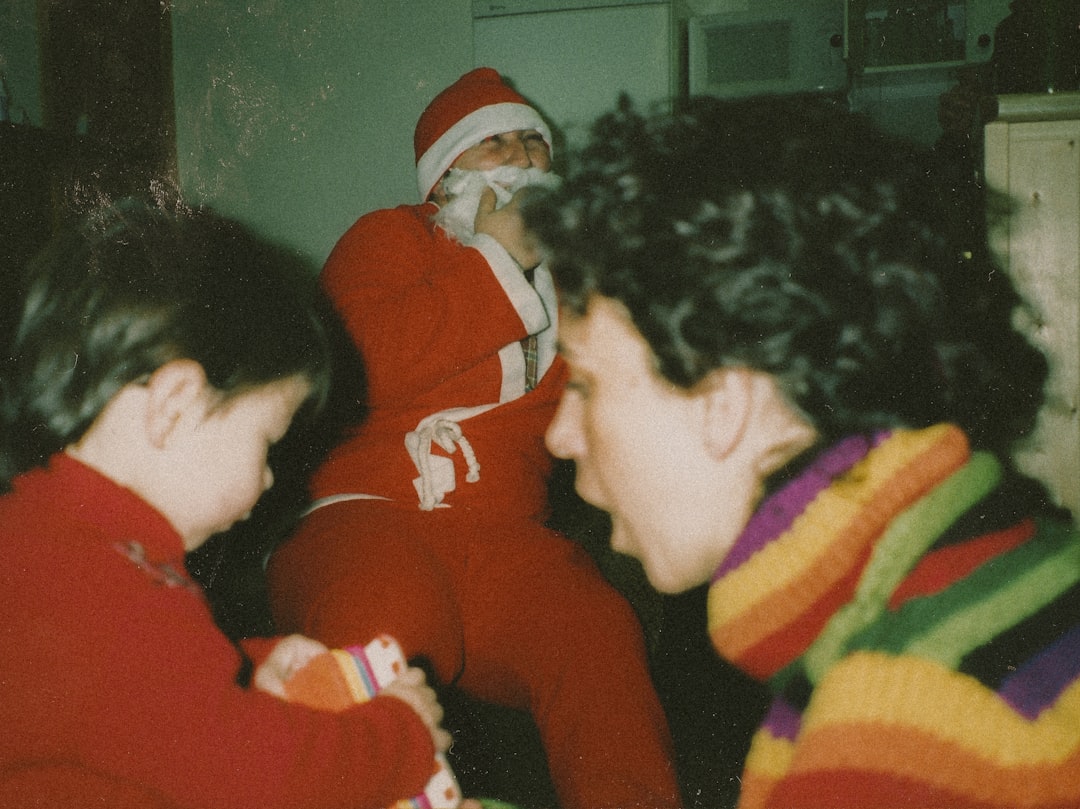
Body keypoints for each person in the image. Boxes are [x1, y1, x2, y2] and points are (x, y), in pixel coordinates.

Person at [524, 94, 1080, 808]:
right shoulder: (1006, 559)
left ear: (723, 399)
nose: (559, 433)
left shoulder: (893, 740)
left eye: (587, 382)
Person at [265, 68, 681, 809]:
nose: (522, 158)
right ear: (448, 172)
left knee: (596, 629)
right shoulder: (388, 236)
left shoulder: (575, 281)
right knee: (382, 620)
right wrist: (497, 260)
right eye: (496, 144)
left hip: (506, 540)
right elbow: (350, 369)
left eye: (534, 143)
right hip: (369, 518)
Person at [0, 197, 454, 809]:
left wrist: (247, 671)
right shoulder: (107, 589)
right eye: (267, 442)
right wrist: (401, 736)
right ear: (176, 406)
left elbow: (141, 711)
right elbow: (263, 778)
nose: (269, 480)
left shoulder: (56, 544)